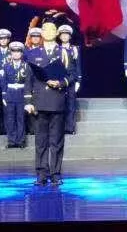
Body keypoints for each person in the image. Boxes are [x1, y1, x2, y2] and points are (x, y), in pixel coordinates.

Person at [25, 15, 74, 186]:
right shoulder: (32, 53)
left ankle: (55, 174)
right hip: (39, 101)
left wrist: (60, 83)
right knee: (40, 141)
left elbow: (71, 75)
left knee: (57, 141)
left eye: (52, 29)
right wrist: (28, 101)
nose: (48, 32)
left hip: (57, 100)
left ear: (57, 32)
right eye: (45, 29)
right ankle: (41, 174)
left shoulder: (64, 52)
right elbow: (28, 79)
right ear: (41, 32)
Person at [1, 41, 31, 148]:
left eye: (18, 51)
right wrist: (4, 96)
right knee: (10, 119)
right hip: (10, 94)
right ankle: (11, 141)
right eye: (13, 51)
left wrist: (28, 98)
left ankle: (21, 141)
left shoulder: (26, 66)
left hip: (21, 94)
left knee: (20, 118)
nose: (16, 54)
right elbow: (3, 82)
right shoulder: (6, 66)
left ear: (21, 53)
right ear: (11, 53)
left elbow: (28, 82)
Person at [57, 24, 81, 134]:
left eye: (66, 35)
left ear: (70, 36)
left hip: (71, 79)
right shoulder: (56, 49)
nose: (64, 36)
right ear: (60, 36)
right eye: (62, 35)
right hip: (59, 80)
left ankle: (70, 128)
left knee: (71, 105)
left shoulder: (74, 49)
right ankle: (60, 128)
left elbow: (78, 65)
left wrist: (78, 81)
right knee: (59, 105)